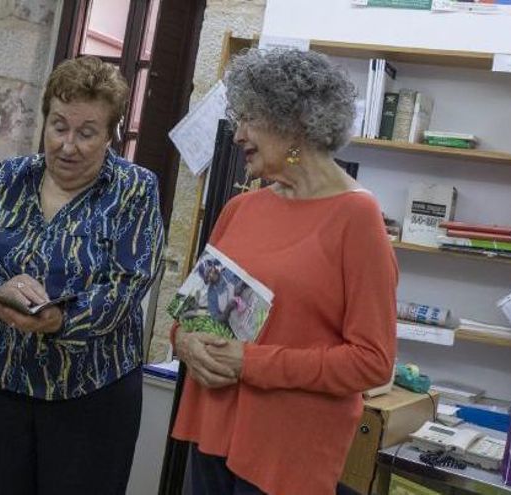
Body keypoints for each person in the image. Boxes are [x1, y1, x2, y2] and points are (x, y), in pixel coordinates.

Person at [170, 48, 398, 495]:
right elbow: (188, 319)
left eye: (249, 119)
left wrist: (251, 363)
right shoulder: (241, 209)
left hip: (286, 453)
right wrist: (185, 343)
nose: (237, 135)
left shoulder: (358, 218)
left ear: (293, 122)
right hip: (211, 431)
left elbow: (372, 361)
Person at [0, 55, 165, 495]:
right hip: (0, 385)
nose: (68, 145)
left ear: (111, 135)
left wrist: (60, 320)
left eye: (87, 133)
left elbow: (126, 284)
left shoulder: (135, 190)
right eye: (59, 126)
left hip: (90, 397)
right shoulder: (8, 178)